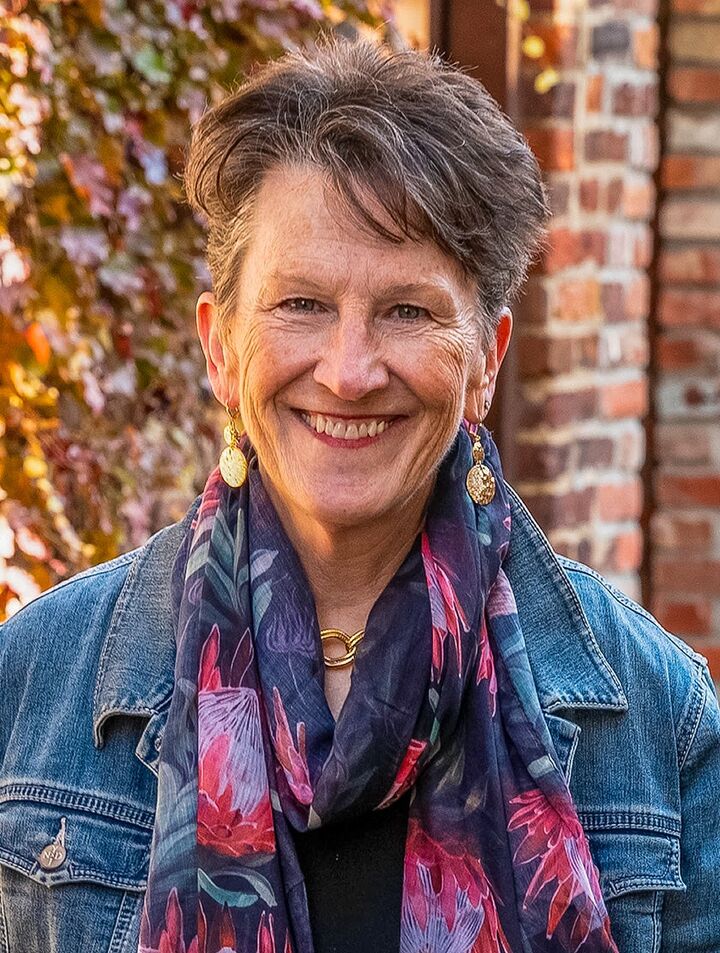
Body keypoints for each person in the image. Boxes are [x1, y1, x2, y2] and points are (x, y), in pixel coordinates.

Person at [0, 36, 718, 953]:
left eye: (407, 311)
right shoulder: (33, 686)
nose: (348, 371)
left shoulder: (661, 721)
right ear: (221, 348)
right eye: (301, 303)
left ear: (486, 360)